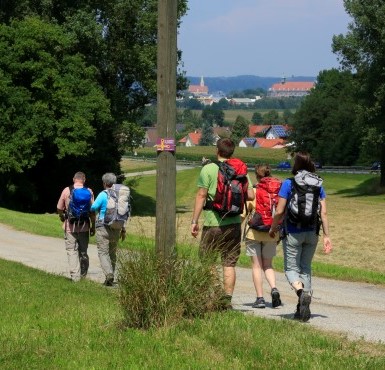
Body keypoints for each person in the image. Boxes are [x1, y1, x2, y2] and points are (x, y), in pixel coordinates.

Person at [269, 152, 333, 322]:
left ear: (296, 165)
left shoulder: (289, 183)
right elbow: (324, 213)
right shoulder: (318, 185)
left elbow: (280, 211)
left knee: (291, 269)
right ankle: (302, 309)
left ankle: (300, 293)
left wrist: (273, 228)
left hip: (293, 232)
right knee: (305, 268)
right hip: (312, 232)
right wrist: (327, 236)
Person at [191, 138, 255, 306]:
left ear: (217, 151)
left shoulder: (209, 169)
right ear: (232, 152)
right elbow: (250, 196)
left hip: (213, 222)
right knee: (229, 263)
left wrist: (194, 221)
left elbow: (201, 195)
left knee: (207, 260)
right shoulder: (241, 169)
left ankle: (216, 293)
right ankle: (226, 299)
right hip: (234, 223)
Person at [243, 164, 282, 309]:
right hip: (272, 233)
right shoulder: (277, 192)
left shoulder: (254, 190)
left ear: (257, 176)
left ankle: (260, 298)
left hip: (254, 233)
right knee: (268, 265)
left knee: (256, 266)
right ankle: (274, 288)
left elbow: (245, 212)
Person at [57, 171, 95, 282]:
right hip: (84, 226)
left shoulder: (67, 190)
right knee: (83, 252)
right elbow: (92, 211)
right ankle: (83, 275)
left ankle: (75, 277)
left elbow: (59, 207)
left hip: (70, 227)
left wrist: (62, 216)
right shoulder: (89, 191)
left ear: (74, 179)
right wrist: (93, 227)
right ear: (84, 179)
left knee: (71, 251)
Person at [90, 173, 126, 286]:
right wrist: (123, 229)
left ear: (105, 183)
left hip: (103, 227)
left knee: (103, 252)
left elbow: (93, 207)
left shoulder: (103, 194)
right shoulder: (120, 195)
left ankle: (109, 274)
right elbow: (122, 212)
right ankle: (111, 277)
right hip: (116, 227)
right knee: (112, 253)